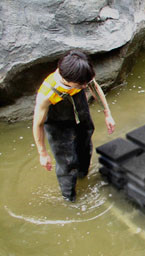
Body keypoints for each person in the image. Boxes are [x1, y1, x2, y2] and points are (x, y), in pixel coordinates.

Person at [33, 50, 116, 202]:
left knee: (85, 148)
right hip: (59, 126)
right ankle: (69, 198)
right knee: (67, 163)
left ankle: (83, 175)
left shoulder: (82, 74)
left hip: (81, 115)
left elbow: (94, 87)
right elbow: (37, 124)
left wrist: (107, 113)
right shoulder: (47, 94)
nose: (85, 85)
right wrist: (42, 153)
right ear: (66, 79)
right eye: (80, 85)